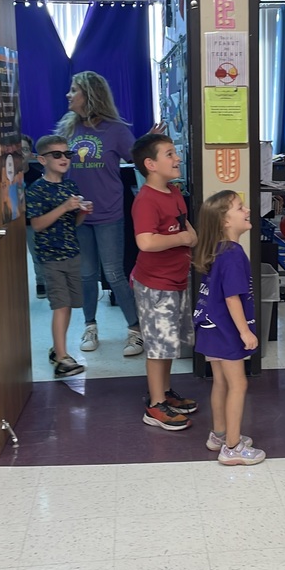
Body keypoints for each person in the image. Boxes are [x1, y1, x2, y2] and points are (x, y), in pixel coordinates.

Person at [56, 71, 144, 358]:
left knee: (115, 274)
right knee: (86, 275)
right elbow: (57, 166)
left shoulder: (115, 130)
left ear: (90, 96)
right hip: (78, 215)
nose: (69, 95)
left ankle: (135, 329)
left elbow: (139, 159)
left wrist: (150, 143)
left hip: (109, 213)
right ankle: (90, 325)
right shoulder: (68, 129)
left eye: (74, 91)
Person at [131, 132, 198, 431]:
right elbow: (145, 242)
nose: (177, 158)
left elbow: (185, 225)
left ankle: (165, 392)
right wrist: (182, 238)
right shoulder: (145, 200)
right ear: (150, 164)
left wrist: (189, 236)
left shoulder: (173, 192)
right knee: (158, 346)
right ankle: (155, 405)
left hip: (175, 281)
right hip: (155, 285)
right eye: (169, 154)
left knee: (168, 343)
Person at [193, 191, 266, 466]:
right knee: (239, 383)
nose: (246, 210)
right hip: (226, 330)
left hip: (209, 328)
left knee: (221, 382)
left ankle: (219, 435)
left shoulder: (217, 250)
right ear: (225, 220)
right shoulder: (234, 254)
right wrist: (245, 332)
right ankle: (233, 448)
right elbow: (232, 297)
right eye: (239, 207)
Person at [26, 135, 93, 379]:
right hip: (50, 257)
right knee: (60, 305)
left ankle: (59, 348)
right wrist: (64, 207)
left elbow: (73, 223)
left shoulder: (70, 187)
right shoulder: (36, 190)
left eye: (68, 154)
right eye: (57, 155)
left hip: (71, 253)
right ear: (42, 159)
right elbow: (37, 224)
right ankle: (63, 358)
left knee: (70, 306)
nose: (64, 159)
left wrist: (82, 212)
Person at [21, 134, 46, 297]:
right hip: (10, 223)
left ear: (31, 154)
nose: (20, 153)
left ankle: (40, 282)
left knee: (37, 253)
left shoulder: (37, 176)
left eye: (24, 149)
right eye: (17, 149)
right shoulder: (2, 174)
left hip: (30, 222)